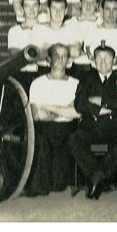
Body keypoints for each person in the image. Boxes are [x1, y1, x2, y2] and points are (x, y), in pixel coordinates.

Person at [68, 42, 117, 199]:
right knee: (73, 139)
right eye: (99, 59)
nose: (103, 62)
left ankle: (97, 176)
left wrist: (99, 100)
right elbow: (80, 104)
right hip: (91, 126)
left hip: (114, 126)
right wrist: (103, 107)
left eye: (107, 58)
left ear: (114, 60)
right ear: (94, 61)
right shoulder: (86, 78)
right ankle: (97, 173)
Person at [26, 44, 81, 196]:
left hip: (68, 127)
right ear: (49, 60)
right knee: (40, 137)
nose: (60, 59)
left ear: (69, 61)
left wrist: (50, 108)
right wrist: (64, 109)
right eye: (56, 56)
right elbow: (37, 115)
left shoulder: (76, 84)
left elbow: (77, 113)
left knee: (59, 184)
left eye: (64, 56)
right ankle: (38, 186)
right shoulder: (38, 83)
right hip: (45, 128)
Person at [83, 0, 117, 69]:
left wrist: (102, 62)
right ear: (101, 10)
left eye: (114, 9)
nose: (111, 13)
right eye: (107, 9)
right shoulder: (91, 30)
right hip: (96, 73)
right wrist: (113, 60)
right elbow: (90, 55)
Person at [32, 0, 83, 68]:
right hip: (44, 69)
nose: (58, 12)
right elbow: (37, 54)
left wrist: (48, 48)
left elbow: (76, 52)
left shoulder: (73, 28)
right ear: (48, 10)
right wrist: (67, 48)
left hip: (67, 70)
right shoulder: (38, 29)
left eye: (61, 9)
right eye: (54, 8)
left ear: (65, 11)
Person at [7, 0, 42, 73]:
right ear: (22, 9)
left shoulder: (47, 29)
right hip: (22, 73)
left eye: (35, 6)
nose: (31, 9)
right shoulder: (14, 31)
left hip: (43, 73)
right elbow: (15, 56)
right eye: (27, 6)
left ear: (40, 8)